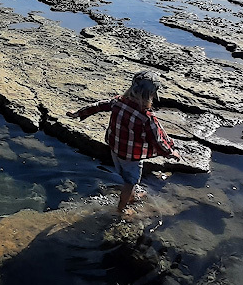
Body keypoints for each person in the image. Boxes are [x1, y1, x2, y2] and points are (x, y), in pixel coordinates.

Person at [67, 71, 178, 216]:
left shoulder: (117, 102)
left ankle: (132, 195)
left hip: (115, 149)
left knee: (125, 175)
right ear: (151, 95)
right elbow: (158, 139)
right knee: (131, 181)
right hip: (131, 157)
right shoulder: (147, 118)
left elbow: (98, 106)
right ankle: (122, 208)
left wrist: (78, 113)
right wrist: (170, 152)